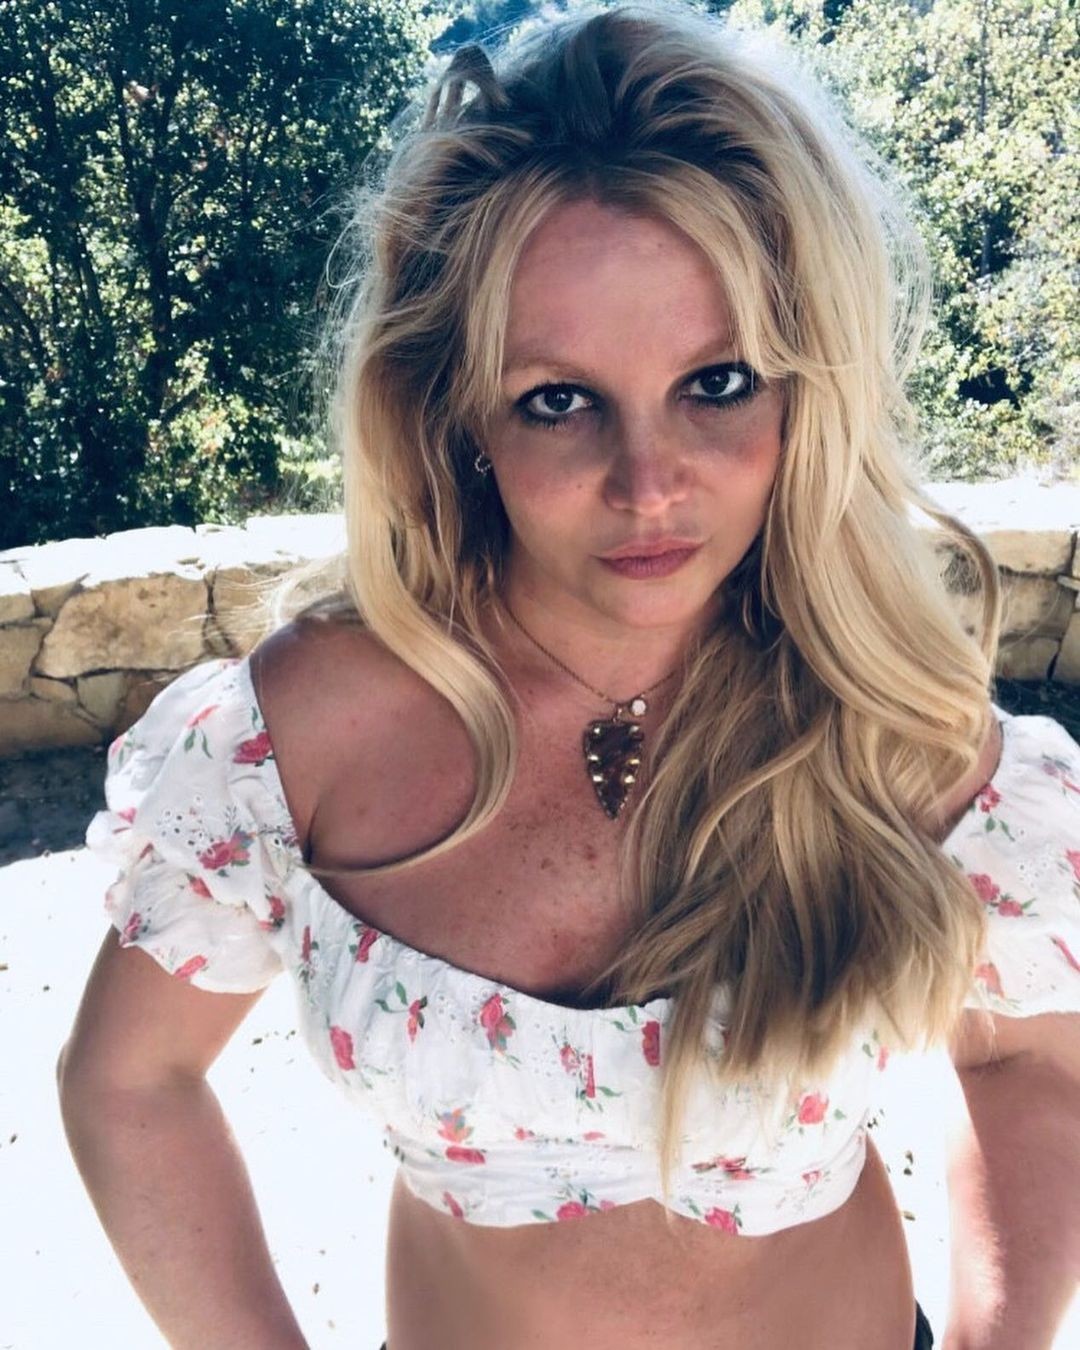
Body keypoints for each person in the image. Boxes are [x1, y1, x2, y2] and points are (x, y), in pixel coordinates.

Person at [56, 4, 1080, 1348]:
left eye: (719, 381)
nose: (648, 484)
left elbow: (1030, 1057)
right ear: (457, 411)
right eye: (558, 398)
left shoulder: (891, 725)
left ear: (807, 389)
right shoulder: (297, 740)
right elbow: (130, 1081)